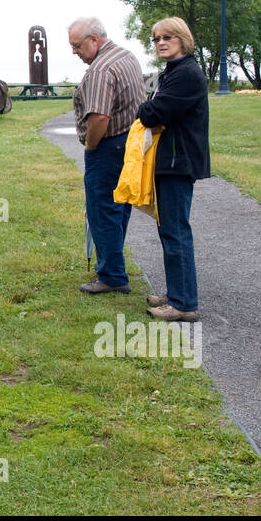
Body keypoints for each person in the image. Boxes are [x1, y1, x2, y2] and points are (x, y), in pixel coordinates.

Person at [136, 17, 210, 322]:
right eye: (156, 39)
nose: (161, 43)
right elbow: (154, 110)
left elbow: (151, 113)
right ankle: (176, 292)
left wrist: (150, 111)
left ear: (183, 38)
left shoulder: (186, 74)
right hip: (168, 161)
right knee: (168, 229)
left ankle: (183, 304)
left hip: (178, 162)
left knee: (176, 231)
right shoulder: (172, 72)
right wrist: (152, 111)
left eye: (168, 37)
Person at [69, 17, 146, 294]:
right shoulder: (126, 56)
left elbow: (100, 117)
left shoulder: (101, 69)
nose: (74, 52)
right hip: (130, 143)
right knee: (119, 206)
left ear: (94, 39)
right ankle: (112, 265)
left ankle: (112, 276)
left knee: (103, 210)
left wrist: (91, 146)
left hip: (109, 146)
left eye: (77, 46)